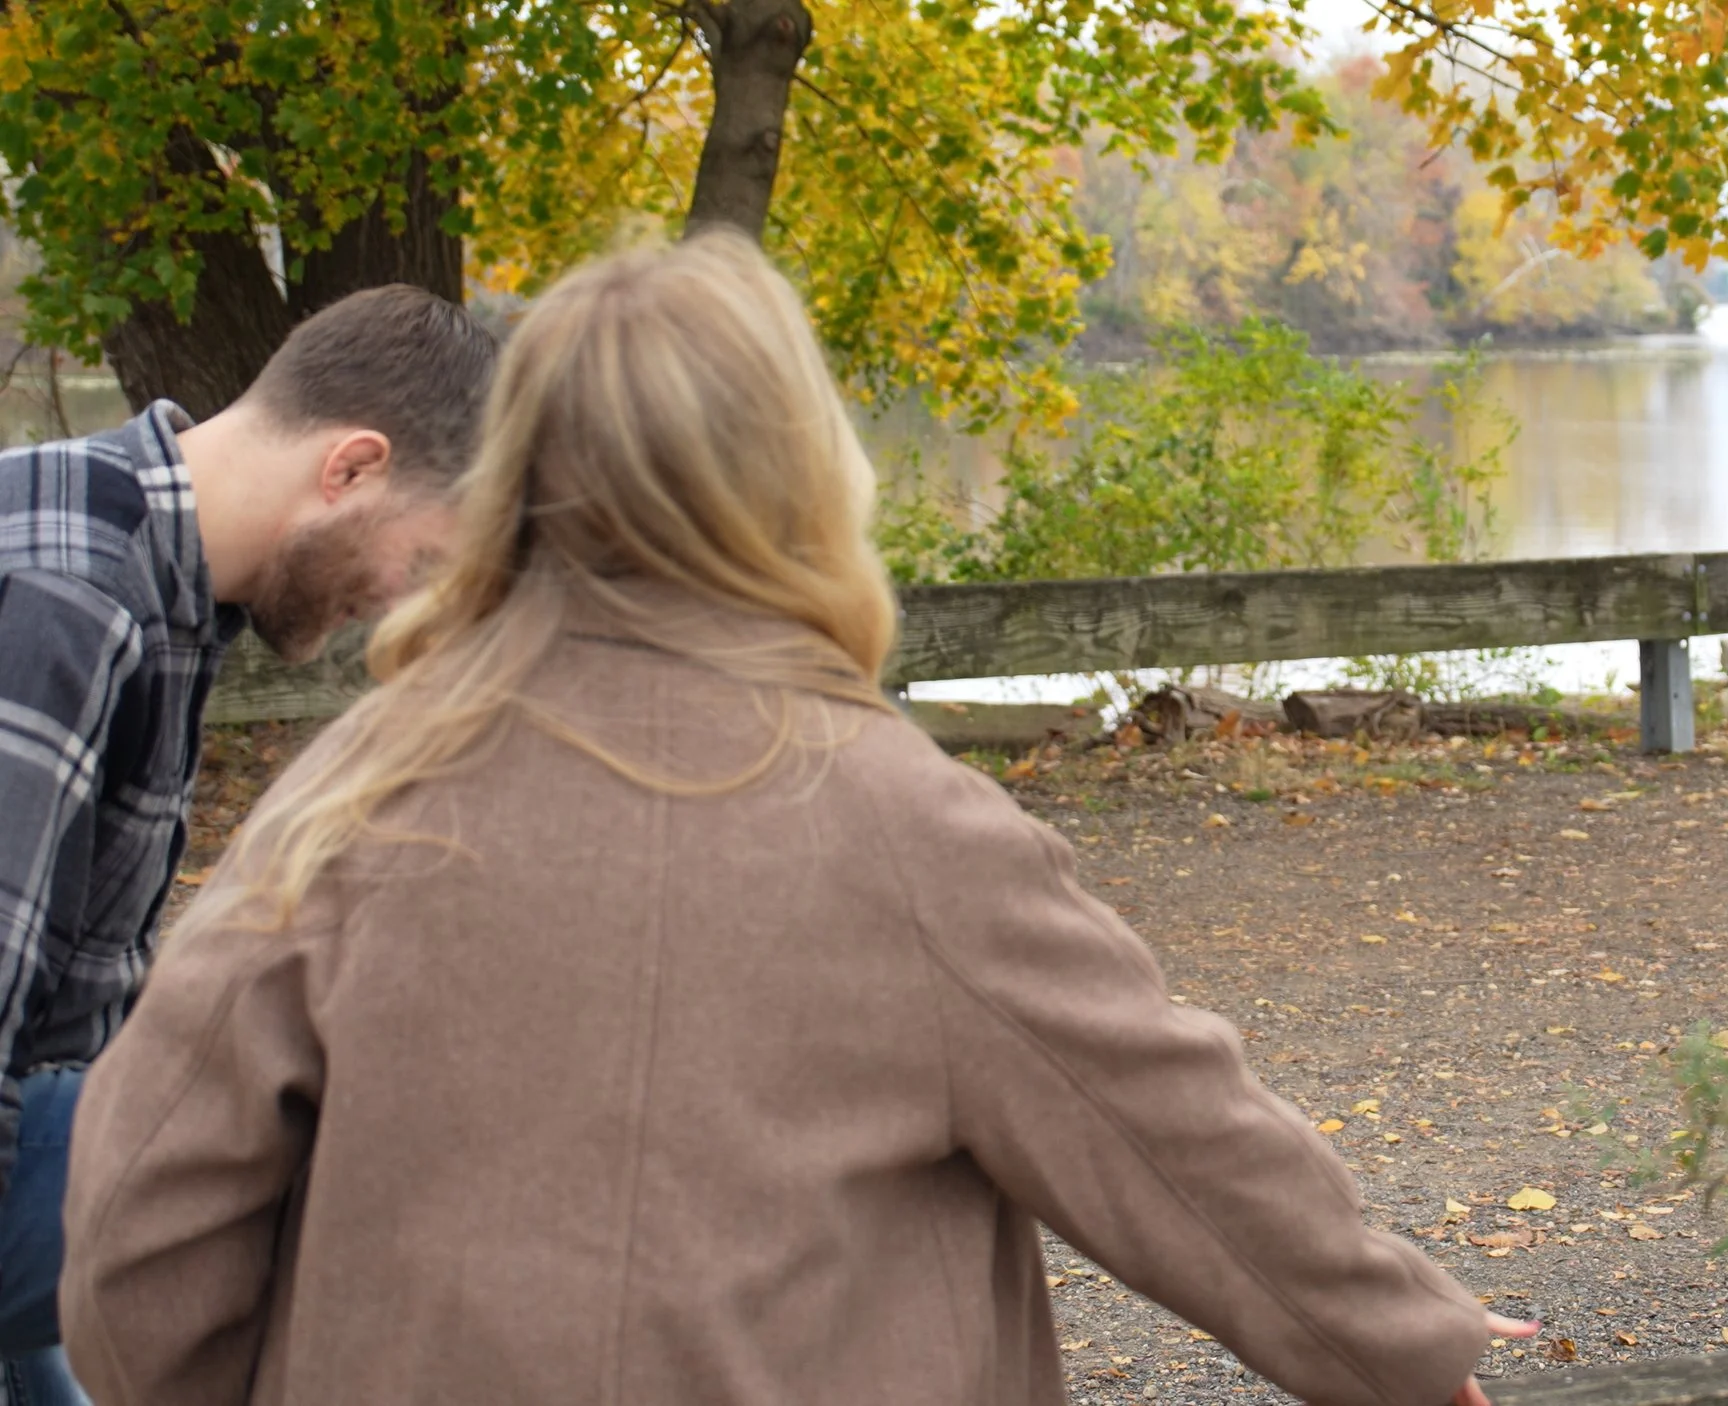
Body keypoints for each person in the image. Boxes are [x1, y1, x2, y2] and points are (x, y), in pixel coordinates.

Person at [57, 233, 1530, 1406]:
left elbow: (136, 1223)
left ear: (510, 481)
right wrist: (1400, 1347)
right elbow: (1180, 1143)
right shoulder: (906, 824)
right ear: (798, 476)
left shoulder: (351, 796)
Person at [0, 288, 496, 1403]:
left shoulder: (159, 576)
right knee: (359, 1131)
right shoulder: (72, 592)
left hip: (40, 1102)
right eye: (421, 563)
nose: (393, 607)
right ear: (352, 467)